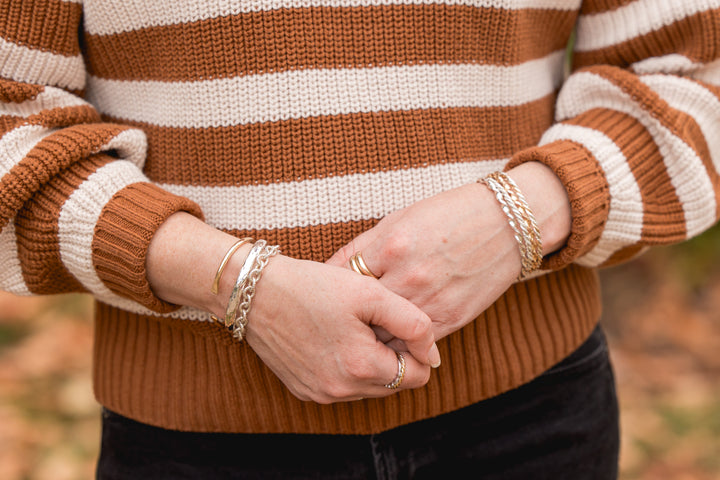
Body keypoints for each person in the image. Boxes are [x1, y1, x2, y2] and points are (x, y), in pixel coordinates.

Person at [1, 0, 718, 478]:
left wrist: (519, 214)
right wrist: (234, 281)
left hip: (533, 420)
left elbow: (696, 71)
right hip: (195, 440)